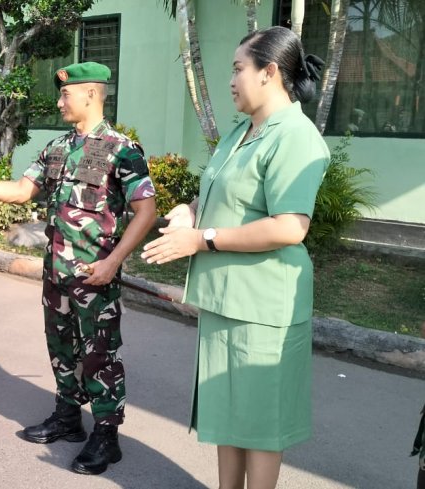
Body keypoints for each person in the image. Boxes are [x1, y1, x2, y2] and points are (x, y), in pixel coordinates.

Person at [141, 26, 329, 489]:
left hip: (265, 303)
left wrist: (201, 239)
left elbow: (289, 226)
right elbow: (217, 192)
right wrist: (187, 212)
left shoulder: (295, 137)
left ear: (269, 73)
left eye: (237, 69)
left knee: (260, 422)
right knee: (227, 411)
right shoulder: (242, 131)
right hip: (225, 297)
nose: (231, 79)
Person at [0, 61, 157, 475]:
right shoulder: (56, 147)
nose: (59, 102)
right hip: (56, 274)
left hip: (96, 276)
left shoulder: (121, 148)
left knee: (101, 355)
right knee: (61, 349)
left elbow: (145, 211)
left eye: (65, 94)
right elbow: (23, 191)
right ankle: (68, 417)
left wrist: (113, 262)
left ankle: (107, 435)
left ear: (90, 94)